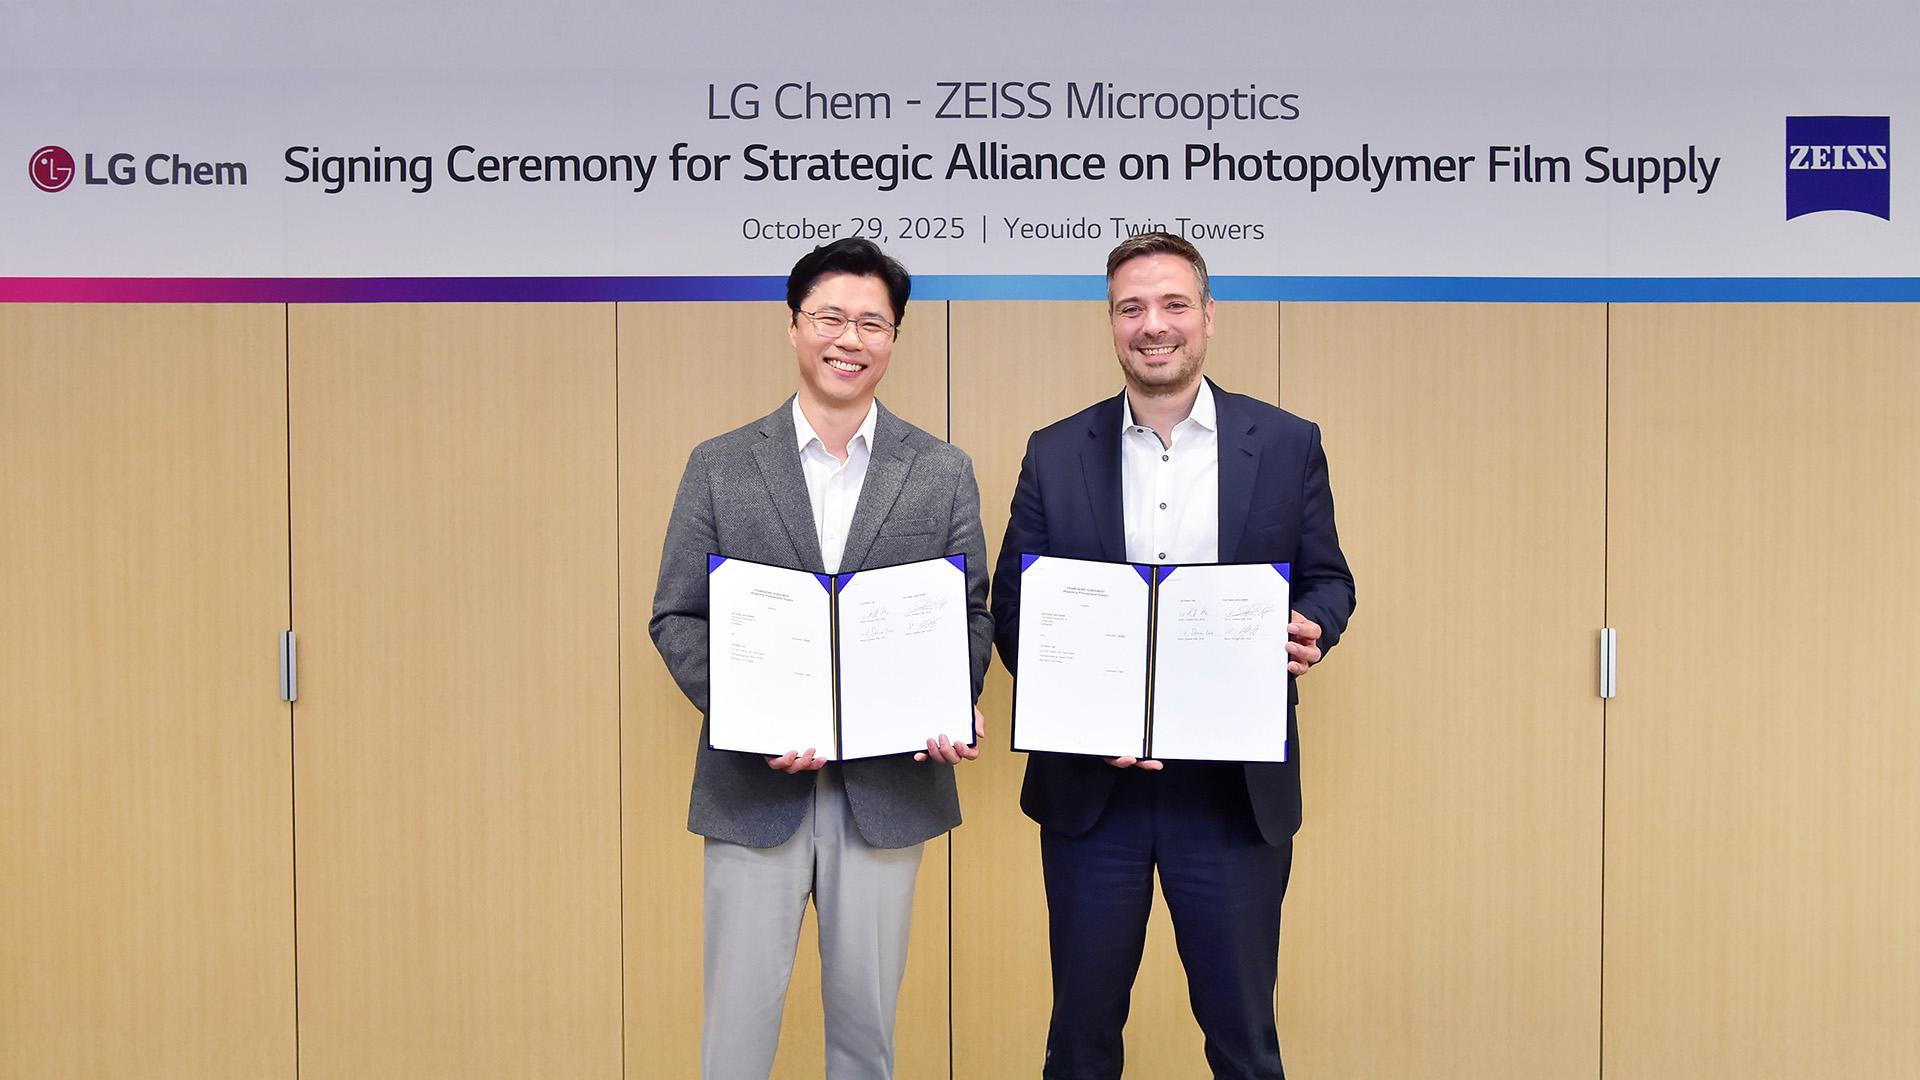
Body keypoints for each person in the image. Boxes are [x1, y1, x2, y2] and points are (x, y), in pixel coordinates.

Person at [991, 232, 1356, 1079]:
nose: (1152, 325)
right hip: (1093, 792)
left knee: (1244, 1041)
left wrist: (1311, 623)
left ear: (1208, 316)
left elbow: (1330, 580)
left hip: (1232, 794)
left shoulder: (1287, 442)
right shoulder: (1054, 451)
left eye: (1172, 304)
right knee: (1080, 1042)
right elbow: (1014, 607)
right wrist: (1078, 707)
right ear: (1112, 323)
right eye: (1132, 308)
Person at [650, 237, 992, 1080]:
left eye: (872, 323)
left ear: (894, 337)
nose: (850, 339)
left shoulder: (941, 470)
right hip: (752, 788)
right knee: (735, 1040)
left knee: (866, 1038)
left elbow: (970, 613)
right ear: (794, 325)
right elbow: (677, 615)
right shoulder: (721, 465)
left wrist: (951, 699)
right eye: (830, 317)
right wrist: (750, 715)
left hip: (888, 792)